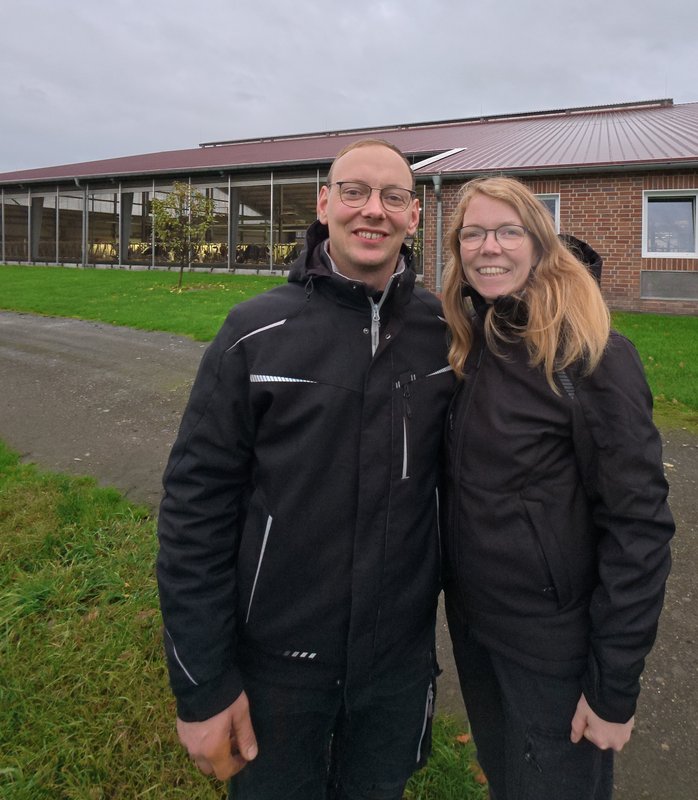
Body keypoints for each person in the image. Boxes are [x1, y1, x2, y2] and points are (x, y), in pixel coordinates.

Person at [156, 138, 454, 799]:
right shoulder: (254, 333)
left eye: (393, 196)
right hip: (276, 673)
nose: (372, 210)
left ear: (414, 215)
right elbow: (194, 511)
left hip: (396, 673)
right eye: (354, 191)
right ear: (324, 204)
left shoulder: (445, 337)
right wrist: (202, 685)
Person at [440, 175, 675, 800]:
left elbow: (639, 527)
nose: (489, 247)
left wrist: (612, 687)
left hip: (554, 648)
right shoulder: (476, 341)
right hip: (477, 630)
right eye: (473, 233)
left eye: (508, 231)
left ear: (540, 245)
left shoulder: (589, 357)